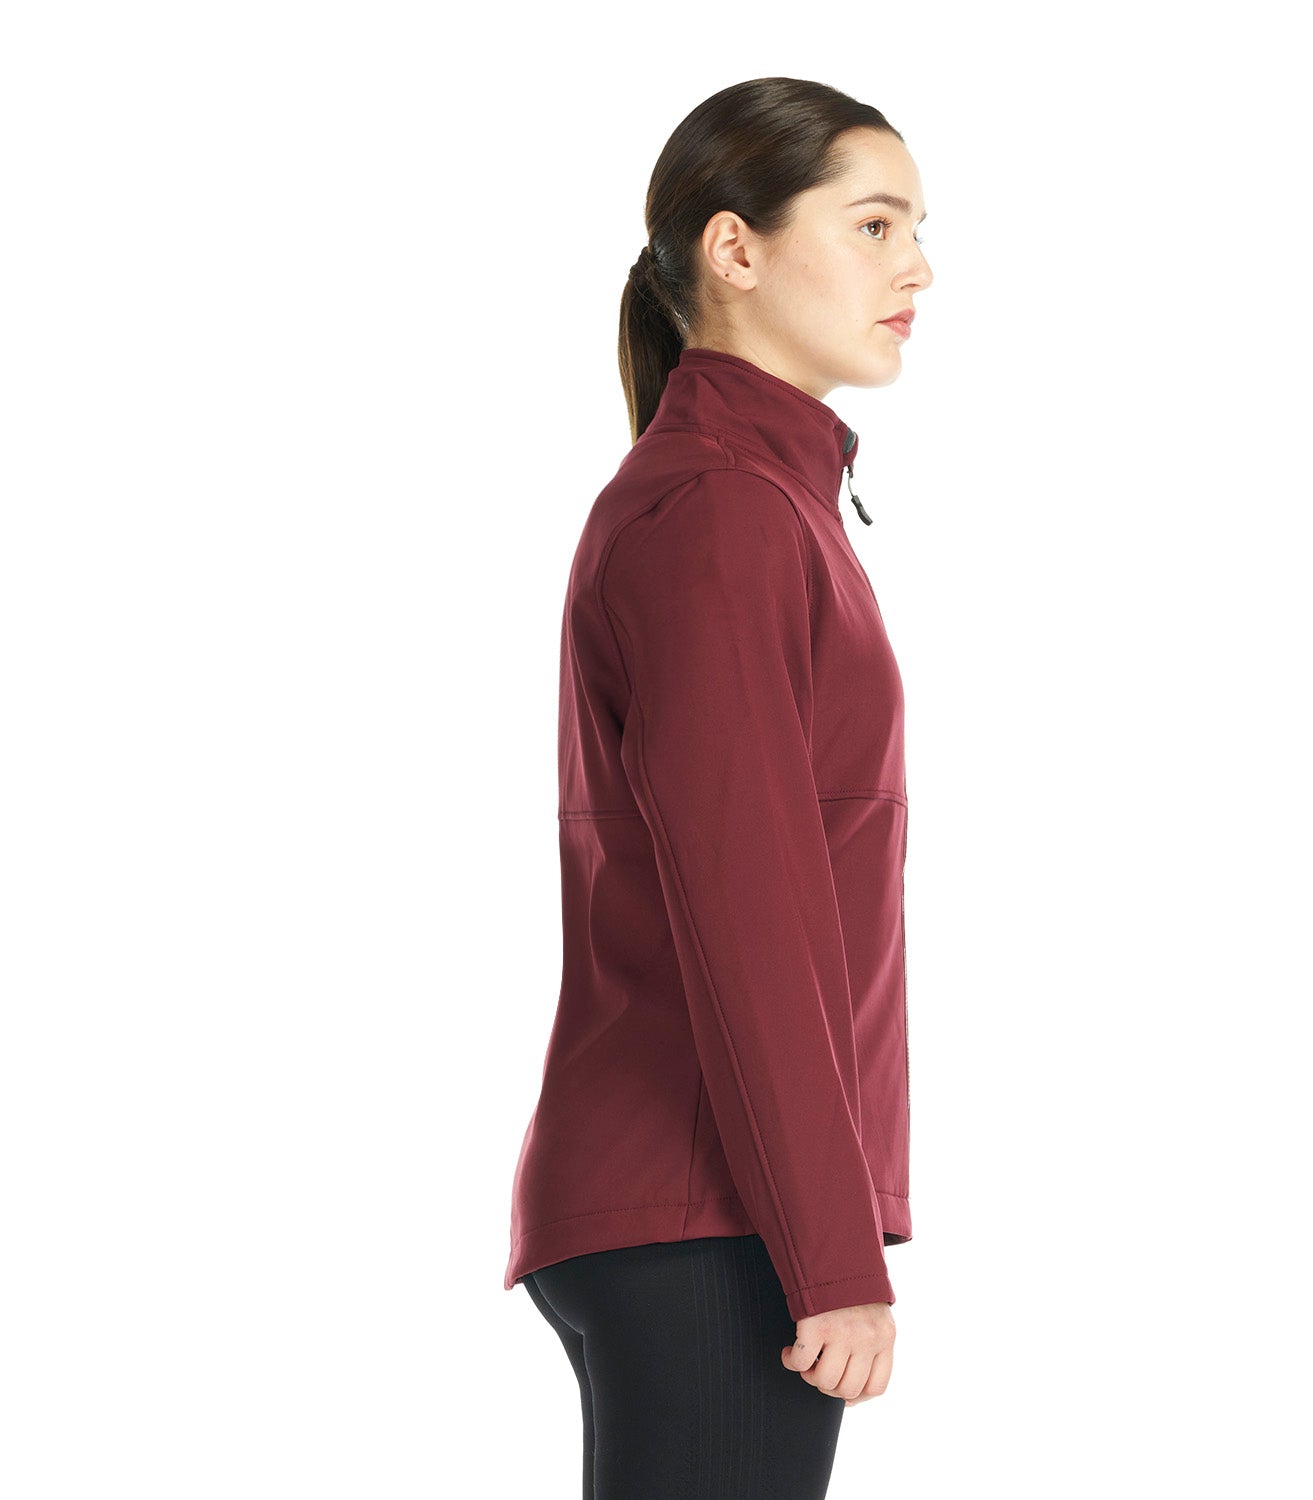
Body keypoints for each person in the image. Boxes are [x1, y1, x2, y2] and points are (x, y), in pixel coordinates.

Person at [505, 75, 932, 1498]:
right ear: (735, 248)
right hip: (713, 1213)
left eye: (915, 231)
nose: (916, 269)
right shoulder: (722, 510)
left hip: (700, 1203)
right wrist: (832, 1255)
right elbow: (750, 912)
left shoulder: (763, 497)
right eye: (873, 225)